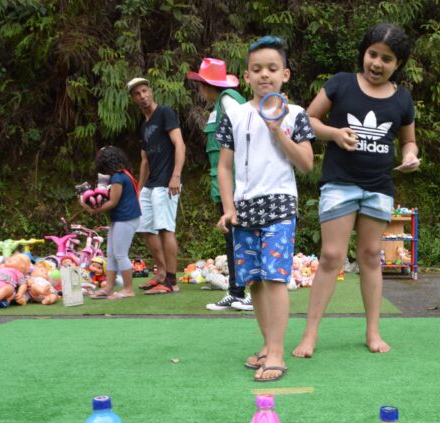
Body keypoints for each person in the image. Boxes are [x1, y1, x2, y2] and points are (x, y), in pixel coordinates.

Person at [292, 23, 419, 358]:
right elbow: (307, 120)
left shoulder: (403, 99)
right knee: (331, 256)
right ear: (363, 52)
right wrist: (334, 134)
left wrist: (410, 156)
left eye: (387, 59)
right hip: (340, 183)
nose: (377, 63)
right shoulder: (341, 83)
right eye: (372, 54)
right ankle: (309, 334)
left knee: (370, 256)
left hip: (379, 187)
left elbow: (408, 141)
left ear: (398, 64)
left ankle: (373, 332)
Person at [216, 36, 315, 381]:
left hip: (280, 204)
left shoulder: (297, 115)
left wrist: (277, 130)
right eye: (256, 69)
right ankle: (267, 344)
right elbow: (224, 167)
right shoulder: (234, 115)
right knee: (255, 280)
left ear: (285, 74)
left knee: (274, 278)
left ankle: (276, 352)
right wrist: (228, 208)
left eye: (272, 68)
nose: (264, 75)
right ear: (246, 76)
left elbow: (306, 164)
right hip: (244, 208)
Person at [186, 58, 253, 311]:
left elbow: (245, 134)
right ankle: (236, 292)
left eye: (201, 84)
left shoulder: (228, 99)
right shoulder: (219, 104)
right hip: (223, 183)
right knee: (232, 240)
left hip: (235, 183)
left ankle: (249, 293)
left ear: (206, 85)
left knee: (241, 239)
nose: (199, 90)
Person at [126, 77, 186, 294]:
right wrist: (139, 189)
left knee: (165, 229)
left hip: (167, 182)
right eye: (137, 94)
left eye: (144, 91)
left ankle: (171, 281)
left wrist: (176, 176)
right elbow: (144, 160)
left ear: (150, 91)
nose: (142, 96)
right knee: (144, 228)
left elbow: (179, 144)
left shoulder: (165, 113)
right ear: (133, 99)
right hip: (150, 185)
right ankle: (160, 272)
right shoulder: (144, 124)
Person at [80, 146, 142, 300]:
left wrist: (93, 210)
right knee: (112, 255)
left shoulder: (118, 178)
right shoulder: (123, 174)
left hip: (126, 218)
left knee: (120, 254)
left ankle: (128, 289)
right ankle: (108, 287)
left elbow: (113, 201)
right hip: (121, 218)